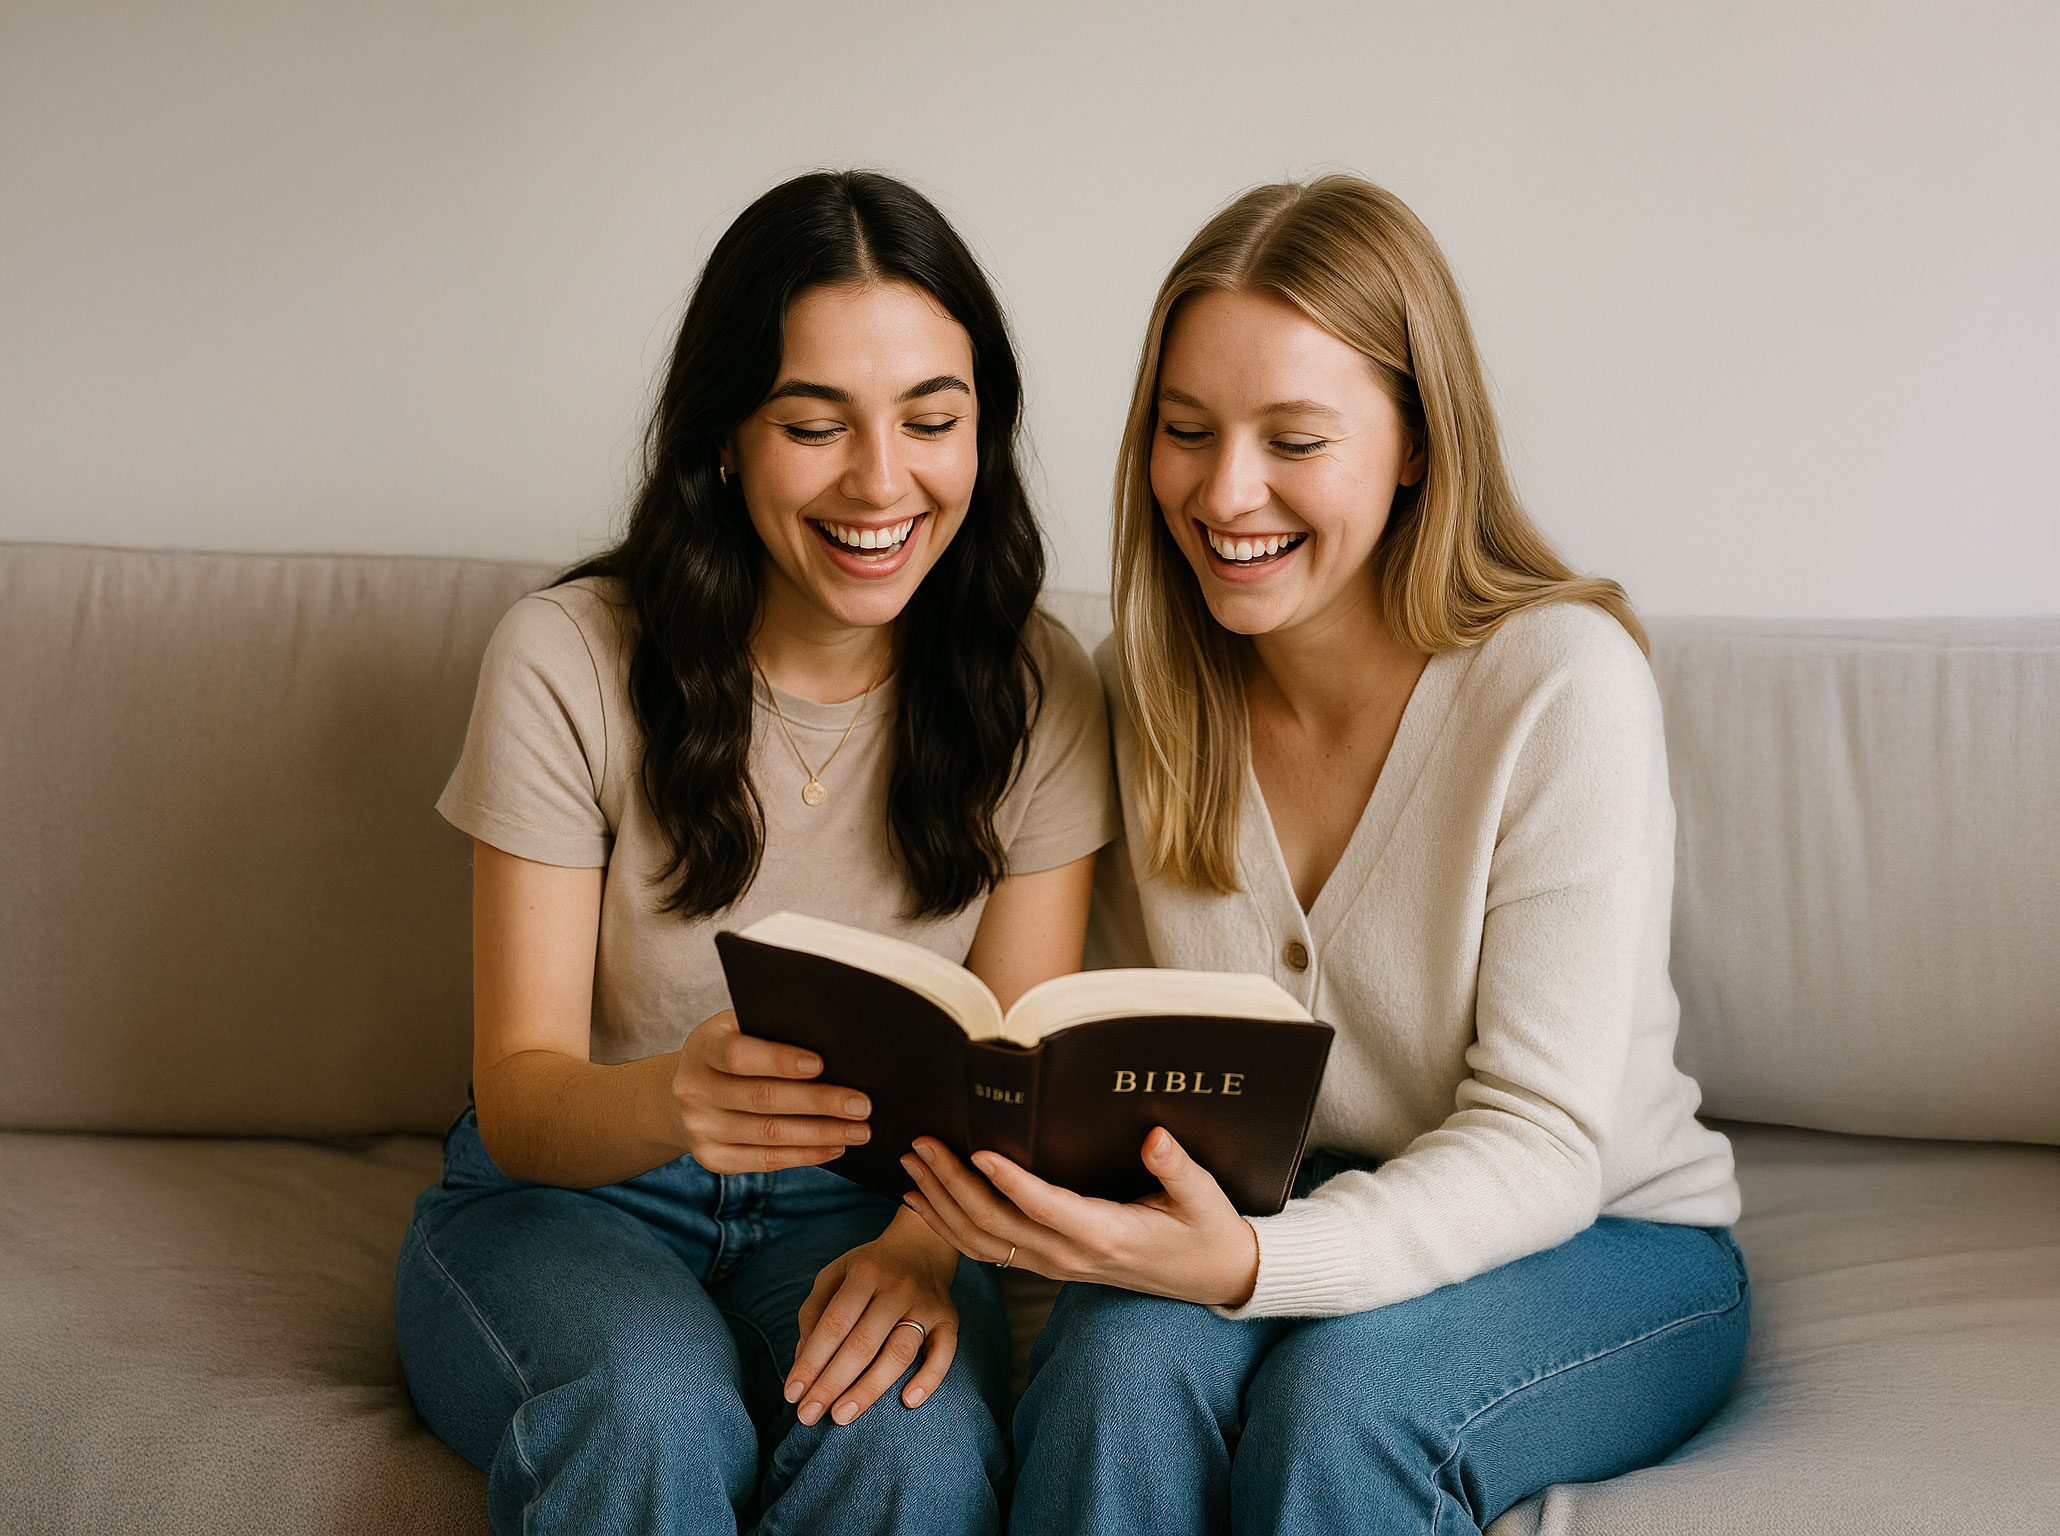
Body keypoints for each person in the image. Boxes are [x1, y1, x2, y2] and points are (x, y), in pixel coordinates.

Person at [899, 175, 1748, 1535]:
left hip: (1604, 1238)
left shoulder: (1561, 686)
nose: (1226, 492)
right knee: (1115, 1370)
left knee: (1348, 1408)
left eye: (1295, 439)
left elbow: (1543, 1139)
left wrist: (1256, 1264)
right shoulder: (1143, 695)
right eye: (1187, 431)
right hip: (1271, 1212)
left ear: (1415, 442)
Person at [394, 169, 1116, 1536]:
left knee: (909, 1447)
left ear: (984, 436)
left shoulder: (1040, 690)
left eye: (932, 420)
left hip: (876, 1208)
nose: (882, 479)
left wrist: (918, 1251)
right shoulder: (568, 660)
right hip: (578, 1200)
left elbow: (1007, 1087)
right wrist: (679, 1098)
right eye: (813, 423)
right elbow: (523, 1097)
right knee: (646, 1407)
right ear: (727, 435)